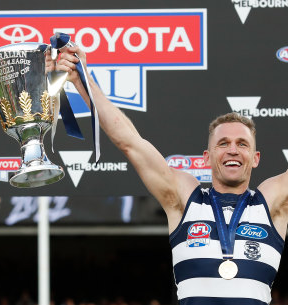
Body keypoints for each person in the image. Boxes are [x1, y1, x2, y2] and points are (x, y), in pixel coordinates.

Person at [56, 45, 288, 305]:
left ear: (255, 158)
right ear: (207, 157)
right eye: (223, 143)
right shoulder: (185, 198)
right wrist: (82, 78)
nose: (233, 150)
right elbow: (130, 142)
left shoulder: (272, 202)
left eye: (242, 144)